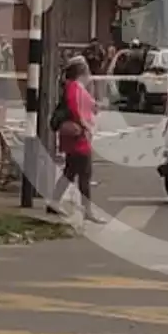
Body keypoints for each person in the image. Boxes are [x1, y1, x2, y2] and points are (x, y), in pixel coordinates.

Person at [48, 58, 104, 223]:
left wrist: (93, 107)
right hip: (78, 137)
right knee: (85, 174)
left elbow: (83, 104)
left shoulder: (76, 87)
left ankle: (54, 201)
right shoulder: (74, 87)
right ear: (82, 73)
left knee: (71, 171)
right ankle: (87, 210)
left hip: (79, 136)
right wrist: (84, 124)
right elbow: (74, 107)